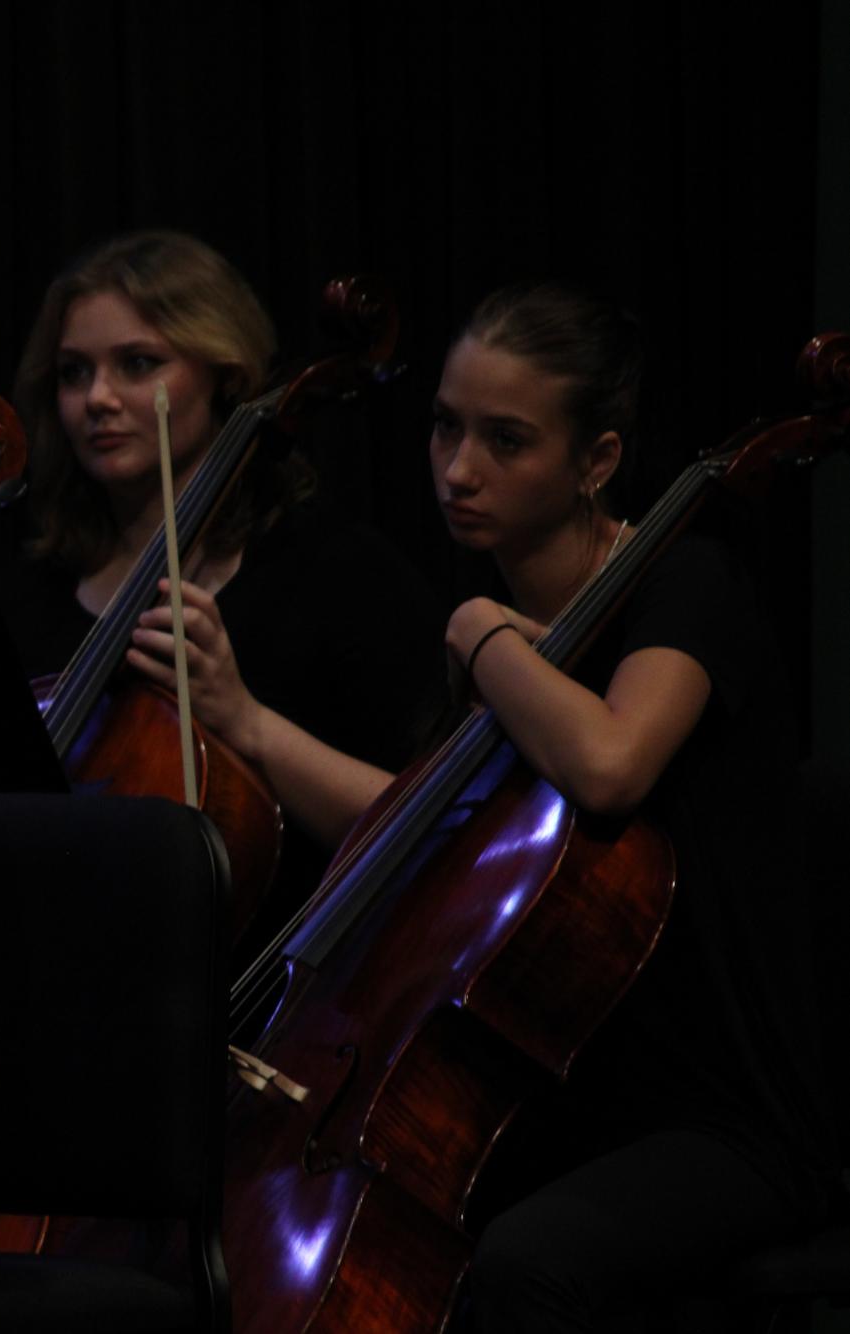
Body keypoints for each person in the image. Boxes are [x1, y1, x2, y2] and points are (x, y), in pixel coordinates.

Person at [192, 280, 835, 1329]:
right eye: (446, 427)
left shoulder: (684, 583)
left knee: (525, 1264)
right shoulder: (504, 635)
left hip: (718, 1119)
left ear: (598, 461)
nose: (458, 469)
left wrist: (481, 631)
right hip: (552, 1094)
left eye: (506, 440)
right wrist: (250, 724)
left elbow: (613, 762)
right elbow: (423, 836)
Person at [3, 229, 442, 926]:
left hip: (277, 1002)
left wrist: (244, 720)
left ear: (225, 376)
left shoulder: (335, 572)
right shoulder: (26, 593)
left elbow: (429, 829)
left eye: (138, 363)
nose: (97, 398)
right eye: (72, 372)